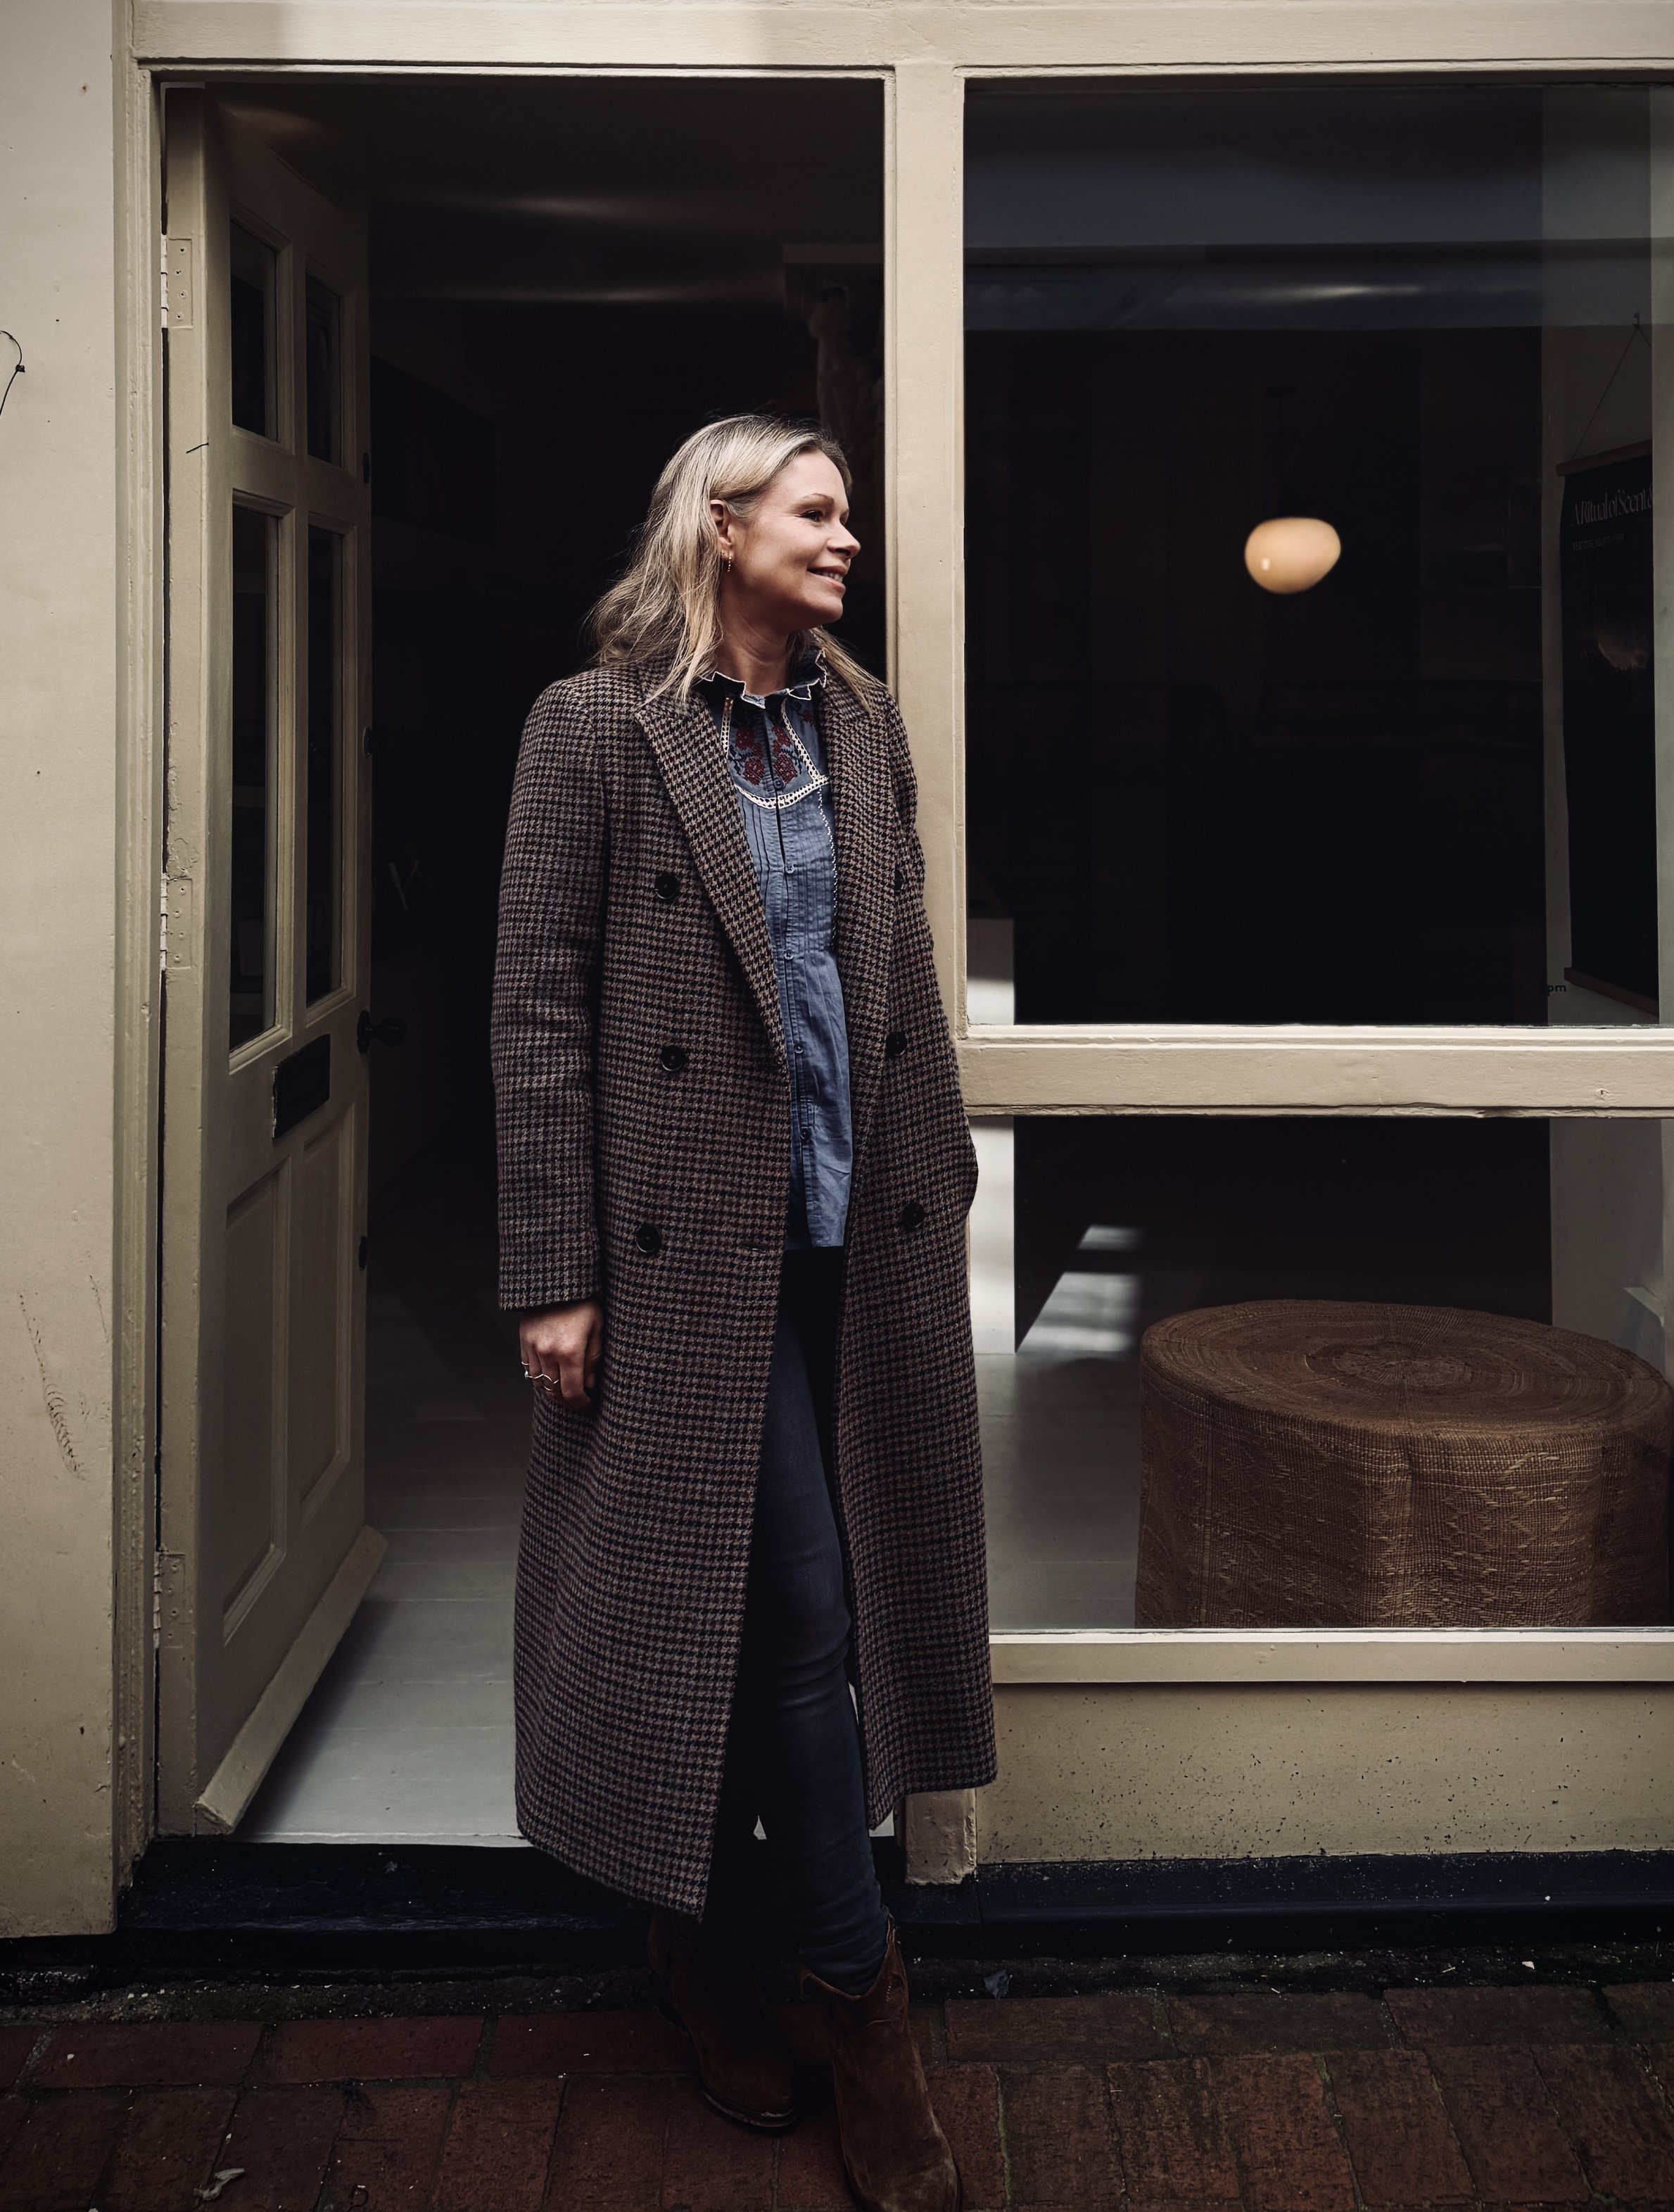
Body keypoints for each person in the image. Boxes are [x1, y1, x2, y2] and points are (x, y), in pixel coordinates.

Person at [493, 413, 995, 2212]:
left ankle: (694, 1943)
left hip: (853, 1238)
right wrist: (550, 1270)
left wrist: (938, 1185)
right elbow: (538, 1008)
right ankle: (863, 2012)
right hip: (671, 1252)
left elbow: (898, 980)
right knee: (786, 1610)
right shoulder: (598, 730)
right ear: (717, 523)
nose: (845, 536)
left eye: (847, 512)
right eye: (815, 508)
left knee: (810, 1601)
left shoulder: (858, 722)